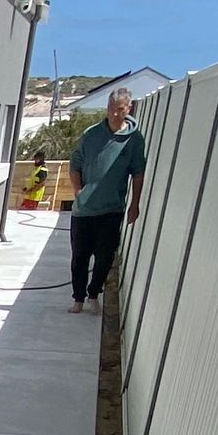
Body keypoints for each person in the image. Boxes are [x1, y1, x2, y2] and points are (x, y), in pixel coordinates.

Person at [66, 87, 146, 311]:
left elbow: (138, 173)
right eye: (110, 109)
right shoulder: (91, 135)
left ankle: (94, 294)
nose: (114, 114)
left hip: (112, 209)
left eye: (119, 110)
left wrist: (134, 204)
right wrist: (78, 192)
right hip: (84, 210)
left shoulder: (134, 140)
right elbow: (75, 165)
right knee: (79, 257)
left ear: (128, 109)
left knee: (105, 257)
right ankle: (78, 299)